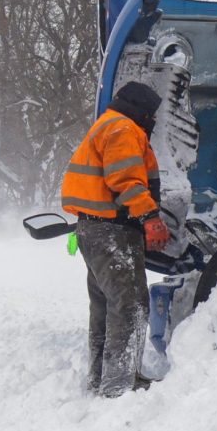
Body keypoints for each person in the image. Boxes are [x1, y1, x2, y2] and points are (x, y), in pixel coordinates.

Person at [59, 79, 172, 396]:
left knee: (105, 307)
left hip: (93, 230)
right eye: (152, 113)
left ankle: (101, 378)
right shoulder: (123, 129)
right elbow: (125, 180)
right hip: (112, 231)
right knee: (130, 304)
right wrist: (150, 218)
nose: (154, 120)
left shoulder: (107, 124)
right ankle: (120, 385)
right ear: (141, 110)